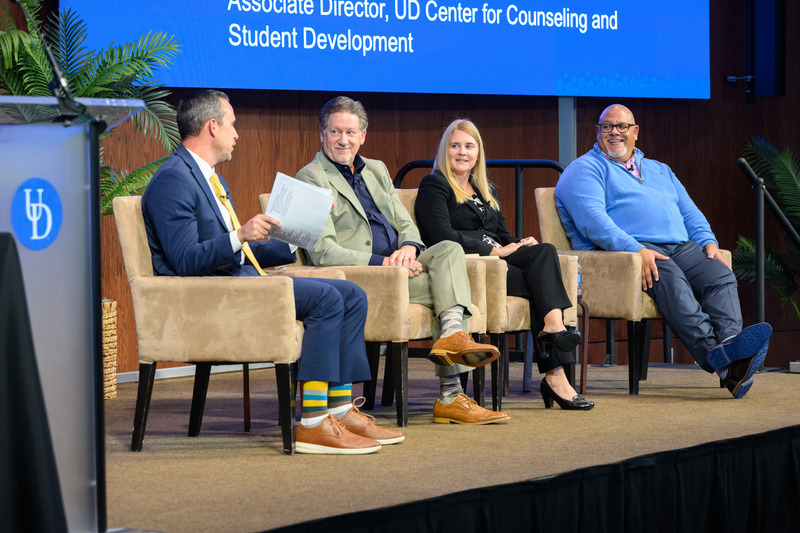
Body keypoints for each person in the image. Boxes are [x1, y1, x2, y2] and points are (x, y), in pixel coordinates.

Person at [141, 89, 404, 454]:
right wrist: (240, 234)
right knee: (328, 298)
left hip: (237, 281)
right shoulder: (174, 179)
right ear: (212, 127)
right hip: (212, 295)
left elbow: (237, 252)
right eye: (232, 125)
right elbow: (185, 260)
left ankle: (340, 409)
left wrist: (297, 233)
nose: (237, 134)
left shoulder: (208, 177)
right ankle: (312, 421)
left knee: (351, 293)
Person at [295, 96, 510, 425]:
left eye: (351, 133)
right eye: (335, 132)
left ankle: (453, 336)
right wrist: (385, 263)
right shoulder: (311, 177)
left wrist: (409, 247)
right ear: (322, 134)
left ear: (363, 135)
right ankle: (451, 394)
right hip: (361, 278)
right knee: (448, 291)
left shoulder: (377, 169)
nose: (343, 140)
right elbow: (323, 252)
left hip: (402, 271)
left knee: (449, 250)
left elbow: (405, 222)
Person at [556, 103, 771, 399]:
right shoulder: (583, 169)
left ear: (636, 132)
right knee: (673, 282)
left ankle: (733, 348)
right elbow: (595, 224)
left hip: (680, 245)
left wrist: (708, 242)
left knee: (719, 275)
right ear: (597, 132)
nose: (614, 132)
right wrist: (637, 249)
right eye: (607, 126)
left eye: (622, 126)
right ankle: (719, 360)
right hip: (626, 254)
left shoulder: (660, 169)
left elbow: (690, 213)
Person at [415, 119, 594, 410]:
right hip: (470, 266)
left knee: (543, 250)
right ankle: (555, 375)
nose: (462, 152)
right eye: (455, 145)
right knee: (541, 289)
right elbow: (442, 236)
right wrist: (495, 251)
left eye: (469, 146)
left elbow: (501, 235)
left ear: (478, 152)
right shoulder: (435, 184)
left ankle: (554, 327)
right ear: (445, 150)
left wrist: (519, 243)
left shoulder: (485, 189)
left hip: (497, 260)